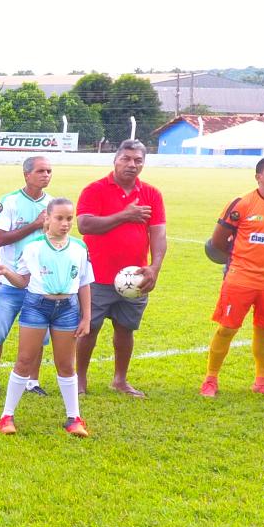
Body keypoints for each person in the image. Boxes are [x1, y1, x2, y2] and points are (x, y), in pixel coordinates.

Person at [201, 155, 264, 400]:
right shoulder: (241, 204)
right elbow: (217, 241)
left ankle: (262, 382)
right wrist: (241, 260)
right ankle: (210, 380)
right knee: (227, 328)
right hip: (241, 279)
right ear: (259, 176)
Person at [0, 198, 93, 437]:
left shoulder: (79, 248)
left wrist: (86, 317)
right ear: (47, 218)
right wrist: (6, 272)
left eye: (69, 219)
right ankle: (6, 417)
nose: (65, 223)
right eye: (59, 218)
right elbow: (23, 281)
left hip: (67, 309)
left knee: (66, 365)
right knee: (24, 361)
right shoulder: (33, 247)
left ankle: (74, 419)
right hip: (36, 306)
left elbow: (84, 284)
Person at [75, 140, 168, 398]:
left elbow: (158, 234)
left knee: (126, 329)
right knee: (89, 329)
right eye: (126, 158)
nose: (132, 164)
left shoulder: (151, 194)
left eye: (138, 160)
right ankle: (79, 380)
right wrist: (124, 215)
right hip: (96, 276)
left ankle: (120, 380)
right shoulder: (95, 190)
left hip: (134, 277)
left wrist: (154, 267)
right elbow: (84, 225)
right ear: (115, 160)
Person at [0, 155, 54, 397]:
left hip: (38, 285)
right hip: (8, 282)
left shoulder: (52, 204)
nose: (46, 175)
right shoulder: (10, 201)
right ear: (26, 174)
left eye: (49, 171)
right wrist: (35, 224)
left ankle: (32, 382)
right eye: (41, 171)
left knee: (38, 336)